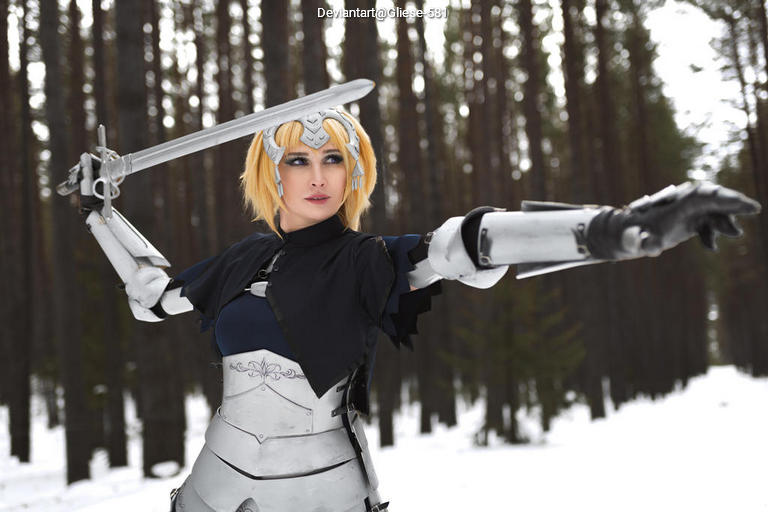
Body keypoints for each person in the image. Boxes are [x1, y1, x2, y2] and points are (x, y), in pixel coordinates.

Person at [78, 106, 759, 512]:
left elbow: (463, 245)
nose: (317, 175)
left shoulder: (366, 260)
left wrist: (612, 230)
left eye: (333, 159)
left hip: (323, 488)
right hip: (216, 482)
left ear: (354, 172)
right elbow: (151, 296)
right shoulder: (241, 259)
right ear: (271, 172)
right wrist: (99, 211)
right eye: (298, 160)